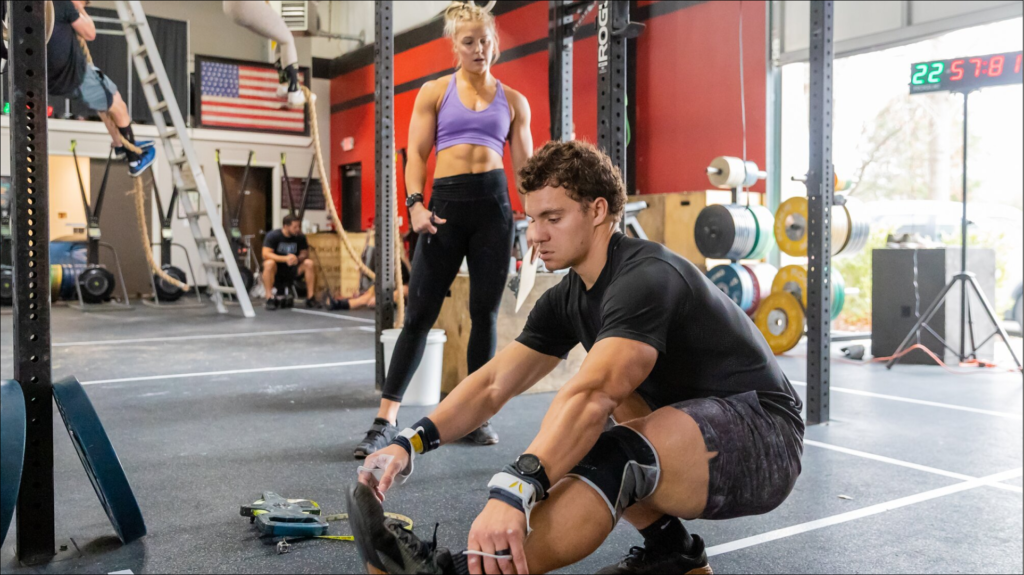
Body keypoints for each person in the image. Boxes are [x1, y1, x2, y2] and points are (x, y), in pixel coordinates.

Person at [348, 140, 805, 575]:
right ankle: (673, 555)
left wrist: (514, 487)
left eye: (553, 217)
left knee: (609, 445)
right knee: (584, 434)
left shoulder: (645, 276)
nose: (537, 235)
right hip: (692, 427)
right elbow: (493, 384)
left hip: (764, 437)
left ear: (598, 210)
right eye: (532, 220)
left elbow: (593, 393)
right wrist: (407, 443)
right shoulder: (569, 296)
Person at [353, 1, 533, 458]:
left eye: (485, 40)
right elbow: (415, 156)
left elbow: (526, 171)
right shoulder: (434, 91)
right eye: (468, 41)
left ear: (495, 41)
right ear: (454, 45)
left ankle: (476, 415)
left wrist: (537, 221)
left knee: (485, 316)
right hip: (443, 209)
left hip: (495, 210)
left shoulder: (514, 102)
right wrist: (415, 206)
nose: (479, 48)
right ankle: (384, 420)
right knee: (417, 316)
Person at [47, 1, 156, 177]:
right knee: (118, 106)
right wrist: (79, 8)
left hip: (54, 82)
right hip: (74, 77)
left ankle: (120, 144)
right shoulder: (65, 4)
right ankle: (134, 159)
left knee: (104, 105)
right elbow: (90, 33)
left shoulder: (44, 9)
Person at [222, 1, 304, 108]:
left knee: (280, 38)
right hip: (245, 5)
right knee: (287, 40)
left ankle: (284, 85)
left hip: (230, 8)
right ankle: (294, 90)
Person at [262, 214, 319, 309]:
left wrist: (298, 258)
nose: (297, 229)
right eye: (295, 227)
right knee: (269, 263)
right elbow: (265, 254)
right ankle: (269, 298)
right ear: (286, 226)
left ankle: (310, 298)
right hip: (277, 269)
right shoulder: (273, 236)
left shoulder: (300, 237)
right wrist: (285, 259)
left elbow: (304, 253)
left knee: (309, 263)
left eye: (299, 226)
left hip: (293, 268)